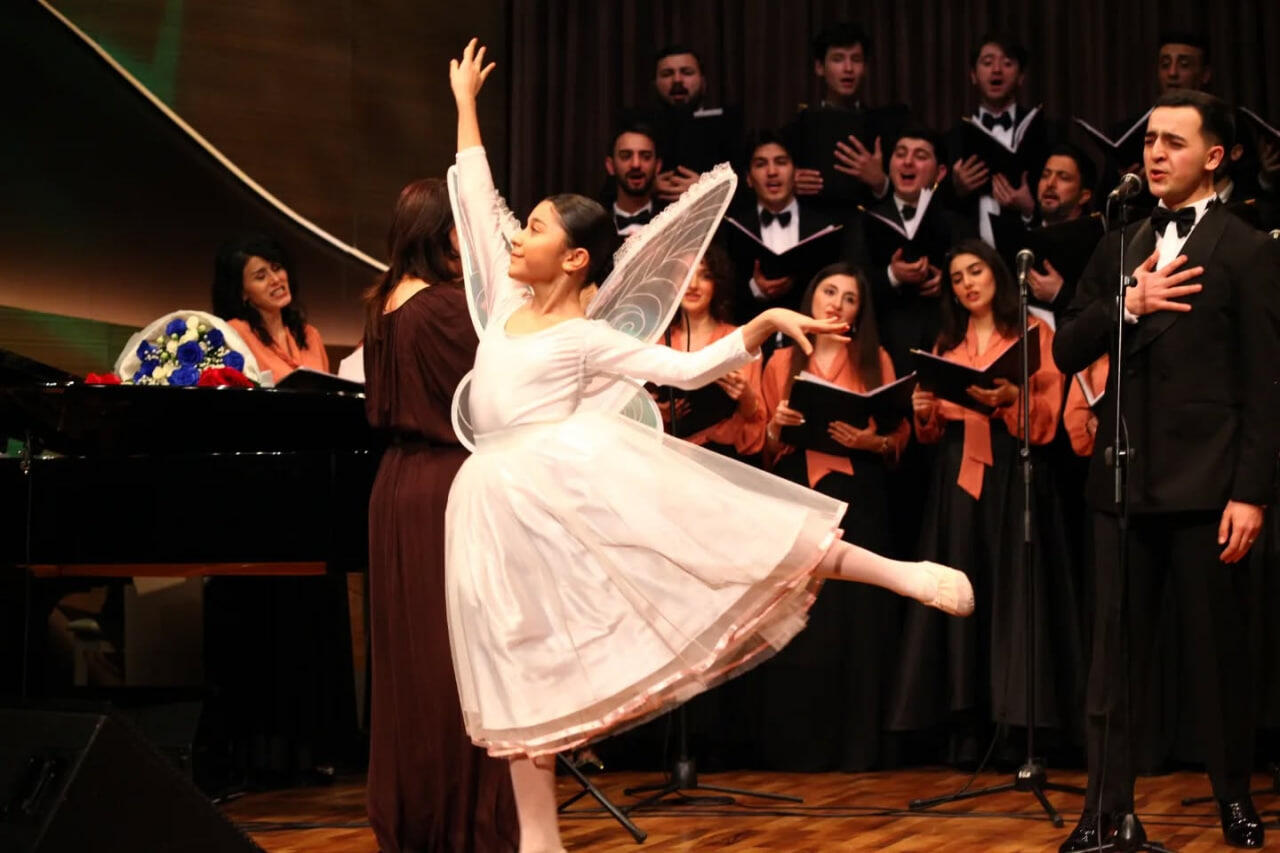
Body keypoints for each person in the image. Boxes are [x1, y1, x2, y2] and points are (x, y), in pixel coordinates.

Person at [445, 40, 973, 853]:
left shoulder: (585, 337)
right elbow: (477, 203)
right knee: (521, 662)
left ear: (574, 258)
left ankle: (899, 572)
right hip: (492, 502)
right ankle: (538, 840)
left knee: (736, 529)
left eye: (537, 228)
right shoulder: (500, 302)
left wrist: (762, 324)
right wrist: (466, 108)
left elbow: (689, 368)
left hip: (564, 478)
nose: (518, 236)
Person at [1054, 90, 1280, 852]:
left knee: (1217, 658)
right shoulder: (1120, 243)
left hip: (1210, 485)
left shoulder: (1248, 248)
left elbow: (1264, 384)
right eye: (1150, 140)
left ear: (1214, 156)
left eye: (1174, 142)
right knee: (1112, 662)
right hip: (1123, 482)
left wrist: (1251, 491)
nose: (1154, 153)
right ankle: (1103, 809)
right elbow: (1065, 346)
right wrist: (1128, 301)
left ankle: (1234, 797)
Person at [362, 178, 518, 852]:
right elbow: (494, 399)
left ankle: (418, 817)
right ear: (445, 233)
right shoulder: (449, 308)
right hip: (449, 485)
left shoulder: (383, 302)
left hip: (397, 486)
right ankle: (465, 823)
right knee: (459, 660)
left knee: (412, 663)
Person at [889, 239, 1082, 761]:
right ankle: (965, 722)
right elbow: (930, 431)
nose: (967, 284)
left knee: (1014, 586)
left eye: (975, 272)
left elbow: (1050, 418)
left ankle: (1018, 724)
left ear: (997, 275)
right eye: (957, 278)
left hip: (1013, 470)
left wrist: (1014, 398)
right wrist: (923, 410)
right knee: (960, 584)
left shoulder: (1033, 333)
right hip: (956, 474)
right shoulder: (946, 342)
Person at [749, 263, 908, 770]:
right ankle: (799, 747)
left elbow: (897, 434)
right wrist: (777, 426)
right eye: (829, 291)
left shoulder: (875, 359)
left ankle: (858, 746)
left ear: (860, 312)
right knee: (801, 614)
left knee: (858, 618)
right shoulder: (781, 360)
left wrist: (871, 441)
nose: (837, 303)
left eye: (849, 297)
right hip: (797, 490)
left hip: (860, 493)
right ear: (811, 299)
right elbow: (763, 444)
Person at [720, 131, 841, 328]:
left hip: (810, 332)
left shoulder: (824, 226)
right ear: (748, 178)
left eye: (781, 162)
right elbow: (723, 293)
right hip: (752, 334)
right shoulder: (730, 227)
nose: (772, 172)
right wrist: (755, 288)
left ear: (796, 172)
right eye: (761, 164)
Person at [945, 33, 1055, 251]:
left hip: (1027, 252)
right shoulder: (954, 138)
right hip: (971, 256)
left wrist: (1029, 208)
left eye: (1007, 63)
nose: (996, 70)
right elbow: (940, 209)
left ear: (1021, 76)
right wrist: (957, 189)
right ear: (973, 75)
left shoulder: (1044, 132)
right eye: (987, 62)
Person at [658, 243, 765, 464]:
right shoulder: (658, 340)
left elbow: (754, 433)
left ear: (717, 283)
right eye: (685, 275)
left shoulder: (738, 340)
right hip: (666, 458)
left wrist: (745, 396)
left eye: (705, 276)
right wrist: (659, 412)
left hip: (720, 459)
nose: (693, 285)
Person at [787, 22, 907, 221]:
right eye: (838, 59)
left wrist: (881, 183)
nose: (848, 68)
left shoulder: (888, 125)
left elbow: (912, 196)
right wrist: (788, 185)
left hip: (869, 230)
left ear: (865, 67)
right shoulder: (798, 126)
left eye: (856, 60)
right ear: (819, 67)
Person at [212, 234, 329, 381]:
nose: (275, 279)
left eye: (277, 268)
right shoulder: (234, 334)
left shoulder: (310, 335)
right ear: (242, 292)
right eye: (261, 277)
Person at [643, 44, 744, 203]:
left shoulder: (729, 125)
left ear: (703, 81)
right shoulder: (637, 129)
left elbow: (746, 186)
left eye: (687, 72)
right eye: (667, 74)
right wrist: (645, 186)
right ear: (654, 83)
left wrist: (709, 189)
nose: (677, 80)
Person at [603, 122, 664, 236]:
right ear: (610, 166)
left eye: (646, 157)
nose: (636, 164)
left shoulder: (674, 223)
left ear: (657, 166)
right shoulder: (594, 225)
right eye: (626, 156)